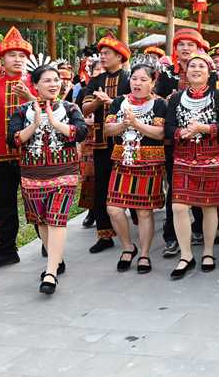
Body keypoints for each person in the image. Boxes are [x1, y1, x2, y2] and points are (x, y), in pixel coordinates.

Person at [8, 65, 88, 294]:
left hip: (64, 172)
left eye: (56, 80)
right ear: (35, 85)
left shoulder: (70, 108)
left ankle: (50, 273)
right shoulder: (22, 111)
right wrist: (35, 124)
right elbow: (12, 140)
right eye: (47, 81)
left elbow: (81, 132)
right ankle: (56, 258)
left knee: (56, 219)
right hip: (32, 174)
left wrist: (55, 124)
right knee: (41, 220)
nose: (54, 84)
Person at [167, 52, 219, 278]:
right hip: (183, 157)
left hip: (210, 159)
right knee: (178, 207)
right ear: (186, 71)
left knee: (208, 206)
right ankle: (186, 255)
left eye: (201, 66)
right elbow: (168, 128)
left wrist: (203, 129)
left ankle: (208, 251)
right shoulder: (176, 98)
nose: (196, 69)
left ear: (209, 72)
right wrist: (182, 132)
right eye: (192, 66)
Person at [0, 27, 35, 271]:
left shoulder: (35, 84)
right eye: (12, 55)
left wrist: (30, 97)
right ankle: (5, 250)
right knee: (3, 204)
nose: (18, 59)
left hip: (30, 153)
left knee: (36, 201)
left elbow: (49, 111)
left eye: (22, 56)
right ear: (1, 59)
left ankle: (49, 245)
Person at [104, 63, 168, 275]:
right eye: (134, 78)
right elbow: (108, 128)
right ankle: (127, 247)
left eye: (143, 79)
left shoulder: (160, 104)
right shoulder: (118, 102)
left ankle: (145, 253)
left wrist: (136, 124)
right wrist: (124, 124)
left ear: (152, 82)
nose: (137, 83)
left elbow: (159, 134)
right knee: (113, 208)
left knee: (143, 211)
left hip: (149, 162)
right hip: (123, 160)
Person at [157, 28, 209, 258]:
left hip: (203, 139)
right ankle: (171, 236)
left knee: (201, 185)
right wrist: (166, 101)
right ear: (175, 49)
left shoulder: (208, 71)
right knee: (176, 191)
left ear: (199, 49)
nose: (186, 48)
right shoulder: (166, 73)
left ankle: (198, 228)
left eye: (191, 45)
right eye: (181, 45)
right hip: (174, 139)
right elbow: (156, 99)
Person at [80, 33, 131, 253]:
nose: (102, 57)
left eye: (107, 53)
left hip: (128, 141)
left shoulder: (130, 78)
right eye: (101, 53)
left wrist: (114, 103)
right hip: (101, 142)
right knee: (102, 187)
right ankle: (104, 234)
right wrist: (97, 102)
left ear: (120, 57)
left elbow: (138, 104)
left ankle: (137, 222)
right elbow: (85, 108)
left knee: (129, 184)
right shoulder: (96, 81)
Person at [77, 57, 102, 229]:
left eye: (102, 70)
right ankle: (91, 211)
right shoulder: (86, 90)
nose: (99, 73)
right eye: (96, 70)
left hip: (107, 135)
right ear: (90, 73)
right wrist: (84, 120)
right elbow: (76, 111)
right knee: (89, 176)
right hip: (89, 137)